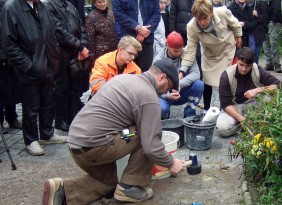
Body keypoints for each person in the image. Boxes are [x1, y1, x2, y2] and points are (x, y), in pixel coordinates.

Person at [42, 59, 186, 204]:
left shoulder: (123, 78)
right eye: (168, 87)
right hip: (97, 146)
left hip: (76, 144)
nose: (165, 91)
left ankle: (62, 190)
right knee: (145, 134)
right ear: (162, 77)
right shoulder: (149, 96)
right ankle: (130, 187)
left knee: (109, 185)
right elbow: (151, 146)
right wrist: (170, 163)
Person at [1, 0, 84, 155]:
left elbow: (55, 31)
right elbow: (9, 44)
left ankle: (47, 134)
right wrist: (29, 65)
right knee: (31, 106)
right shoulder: (11, 8)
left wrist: (55, 58)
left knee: (48, 101)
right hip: (29, 69)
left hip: (49, 65)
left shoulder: (42, 6)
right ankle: (31, 140)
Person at [180, 0, 242, 111]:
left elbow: (235, 24)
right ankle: (206, 109)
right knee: (207, 81)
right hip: (209, 54)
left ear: (211, 13)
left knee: (225, 81)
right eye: (199, 19)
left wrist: (238, 36)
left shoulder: (223, 12)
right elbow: (190, 50)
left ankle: (225, 108)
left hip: (226, 50)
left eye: (205, 18)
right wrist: (182, 71)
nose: (202, 22)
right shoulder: (191, 27)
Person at [45, 0, 90, 132]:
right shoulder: (49, 6)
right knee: (61, 87)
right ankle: (60, 120)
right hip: (60, 53)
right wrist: (79, 46)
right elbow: (58, 30)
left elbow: (81, 27)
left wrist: (83, 45)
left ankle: (74, 116)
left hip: (76, 53)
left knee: (75, 87)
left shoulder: (70, 6)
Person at [216, 47, 281, 137]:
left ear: (252, 64)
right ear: (236, 60)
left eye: (247, 66)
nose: (244, 69)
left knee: (271, 97)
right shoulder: (226, 75)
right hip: (234, 107)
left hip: (254, 105)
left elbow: (279, 87)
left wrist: (258, 90)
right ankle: (250, 125)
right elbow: (225, 105)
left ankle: (249, 125)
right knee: (223, 128)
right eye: (241, 65)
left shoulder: (258, 70)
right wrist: (243, 120)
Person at [155, 31, 204, 119]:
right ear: (167, 46)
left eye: (181, 49)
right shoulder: (158, 60)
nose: (179, 53)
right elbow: (153, 85)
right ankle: (165, 116)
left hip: (181, 90)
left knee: (199, 84)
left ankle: (189, 113)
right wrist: (168, 95)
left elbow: (196, 73)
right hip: (165, 94)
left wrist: (179, 84)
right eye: (175, 50)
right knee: (161, 109)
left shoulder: (187, 54)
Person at [112, 0, 161, 72]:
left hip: (146, 40)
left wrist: (145, 32)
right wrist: (137, 27)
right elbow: (118, 13)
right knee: (126, 72)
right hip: (127, 41)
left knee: (145, 73)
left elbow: (156, 14)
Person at [0, 0, 22, 133]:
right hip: (1, 64)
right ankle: (0, 122)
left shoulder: (10, 21)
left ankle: (12, 117)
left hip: (11, 62)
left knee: (12, 92)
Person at [258, 0, 282, 72]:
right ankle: (269, 63)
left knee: (273, 43)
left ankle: (276, 64)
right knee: (265, 43)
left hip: (273, 22)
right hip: (264, 22)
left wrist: (274, 20)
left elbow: (277, 8)